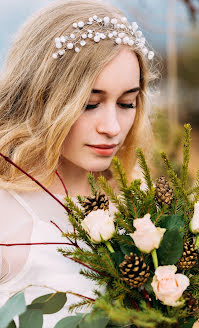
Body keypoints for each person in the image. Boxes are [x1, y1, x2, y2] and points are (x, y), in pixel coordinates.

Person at [0, 0, 156, 325]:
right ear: (40, 96)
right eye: (89, 104)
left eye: (127, 103)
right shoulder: (7, 216)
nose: (112, 127)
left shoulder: (136, 201)